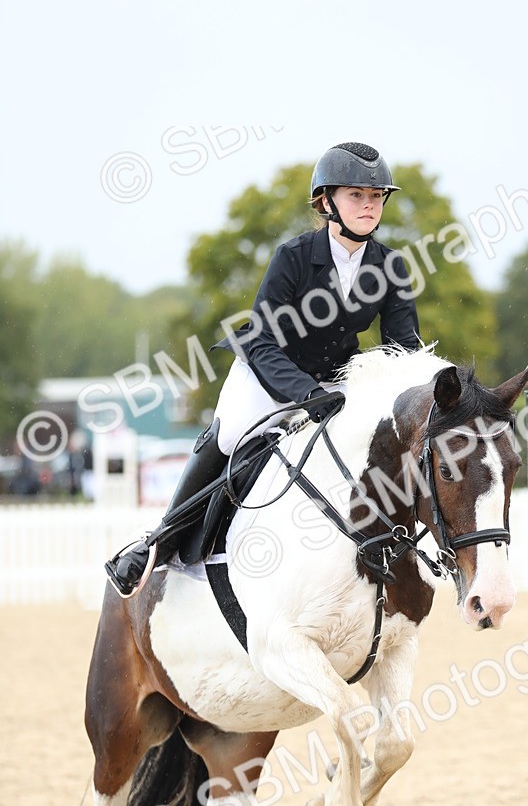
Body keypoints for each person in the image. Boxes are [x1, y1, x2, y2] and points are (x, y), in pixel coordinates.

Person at [105, 141, 422, 597]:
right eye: (356, 195)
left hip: (333, 383)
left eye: (375, 197)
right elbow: (262, 338)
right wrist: (304, 392)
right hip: (267, 373)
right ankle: (161, 543)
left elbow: (403, 349)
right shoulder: (293, 257)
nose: (369, 205)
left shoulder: (391, 266)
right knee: (232, 433)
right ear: (326, 201)